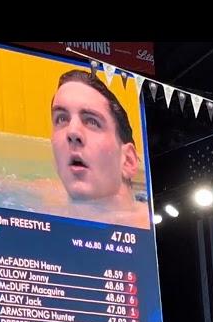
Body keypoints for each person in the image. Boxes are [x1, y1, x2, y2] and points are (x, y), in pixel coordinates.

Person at [50, 69, 150, 229]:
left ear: (128, 161)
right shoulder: (44, 198)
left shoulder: (148, 227)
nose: (72, 132)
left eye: (92, 121)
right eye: (62, 118)